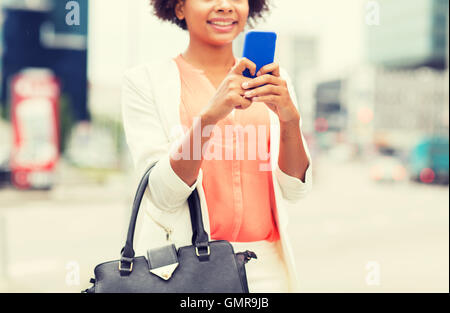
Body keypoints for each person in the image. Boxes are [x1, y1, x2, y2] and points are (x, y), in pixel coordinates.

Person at [121, 0, 312, 292]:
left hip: (268, 269)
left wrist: (290, 122)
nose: (225, 6)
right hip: (189, 270)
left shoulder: (276, 81)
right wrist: (209, 118)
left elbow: (295, 190)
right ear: (179, 7)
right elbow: (163, 194)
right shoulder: (144, 82)